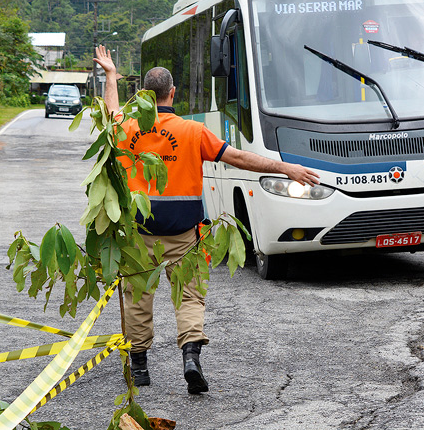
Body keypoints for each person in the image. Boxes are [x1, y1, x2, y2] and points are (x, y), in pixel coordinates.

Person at [93, 45, 319, 394]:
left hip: (138, 235)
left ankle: (139, 368)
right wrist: (284, 167)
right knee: (190, 297)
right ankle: (190, 357)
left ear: (144, 96)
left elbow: (109, 112)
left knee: (137, 298)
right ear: (173, 93)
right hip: (184, 233)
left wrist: (110, 76)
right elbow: (240, 158)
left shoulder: (124, 128)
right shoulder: (192, 131)